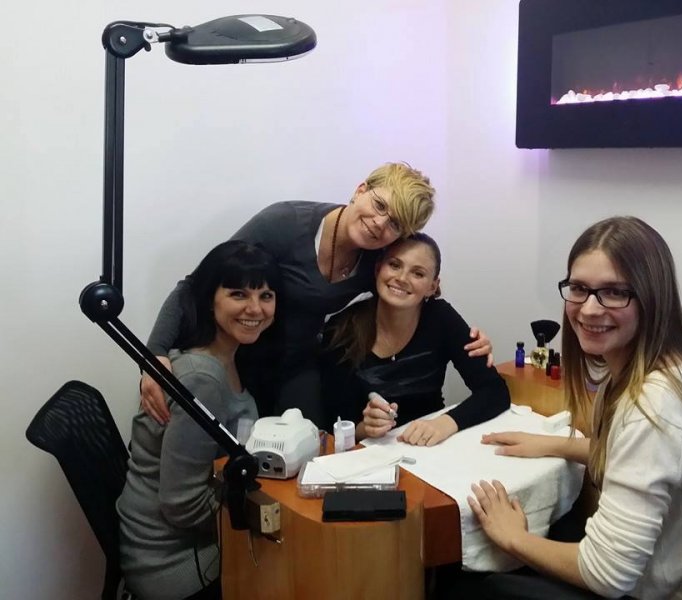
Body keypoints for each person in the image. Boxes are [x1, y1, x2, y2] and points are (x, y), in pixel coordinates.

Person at [467, 217, 682, 599]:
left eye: (614, 292)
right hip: (671, 579)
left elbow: (606, 574)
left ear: (652, 298)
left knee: (473, 583)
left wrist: (513, 538)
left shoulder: (654, 411)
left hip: (650, 592)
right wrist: (555, 445)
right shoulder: (658, 372)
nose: (589, 309)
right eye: (579, 289)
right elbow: (633, 458)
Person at [141, 162, 493, 428]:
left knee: (310, 450)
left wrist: (471, 341)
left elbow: (410, 289)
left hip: (296, 363)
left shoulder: (375, 259)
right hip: (234, 355)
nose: (379, 223)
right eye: (380, 205)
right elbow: (197, 285)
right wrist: (153, 355)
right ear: (360, 189)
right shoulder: (284, 223)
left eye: (395, 224)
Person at [117, 240, 278, 600]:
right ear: (209, 300)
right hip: (172, 564)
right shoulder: (202, 378)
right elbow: (183, 505)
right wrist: (266, 512)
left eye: (266, 295)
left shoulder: (227, 358)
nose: (255, 308)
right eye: (238, 294)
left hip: (183, 543)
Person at [320, 233, 509, 445]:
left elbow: (495, 391)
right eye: (394, 265)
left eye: (418, 273)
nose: (402, 278)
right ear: (378, 269)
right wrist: (366, 428)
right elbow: (331, 423)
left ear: (432, 286)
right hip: (370, 452)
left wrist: (445, 423)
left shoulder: (441, 318)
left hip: (431, 447)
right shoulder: (341, 328)